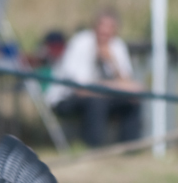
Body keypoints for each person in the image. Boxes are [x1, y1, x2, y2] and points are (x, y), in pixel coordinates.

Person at [45, 8, 142, 148]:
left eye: (110, 27)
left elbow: (129, 85)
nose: (105, 31)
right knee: (96, 100)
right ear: (94, 26)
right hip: (65, 98)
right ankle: (94, 149)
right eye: (102, 26)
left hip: (101, 96)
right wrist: (112, 86)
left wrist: (112, 63)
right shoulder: (80, 42)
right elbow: (80, 88)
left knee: (132, 101)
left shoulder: (117, 46)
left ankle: (129, 150)